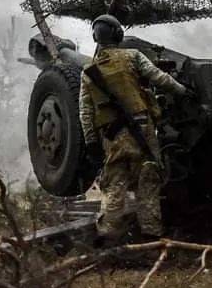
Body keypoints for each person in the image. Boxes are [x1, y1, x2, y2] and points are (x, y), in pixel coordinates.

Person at [78, 14, 189, 244]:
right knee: (147, 178)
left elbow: (85, 113)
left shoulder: (88, 71)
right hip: (141, 129)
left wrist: (91, 143)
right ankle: (150, 235)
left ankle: (108, 234)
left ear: (96, 37)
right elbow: (159, 78)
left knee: (114, 181)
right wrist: (182, 91)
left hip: (111, 135)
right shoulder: (133, 56)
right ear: (118, 35)